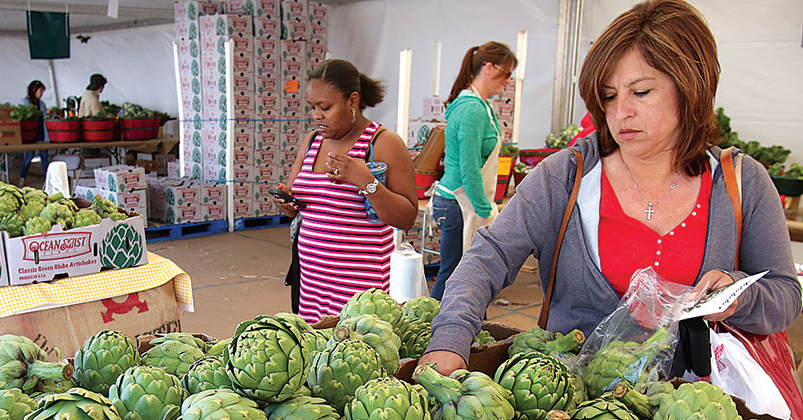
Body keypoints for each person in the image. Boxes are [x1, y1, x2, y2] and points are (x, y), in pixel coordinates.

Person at [421, 0, 801, 376]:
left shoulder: (742, 182)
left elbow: (786, 295)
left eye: (640, 92)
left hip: (699, 419)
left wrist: (739, 294)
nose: (621, 113)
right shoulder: (565, 178)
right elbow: (489, 256)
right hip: (577, 418)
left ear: (690, 87)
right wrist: (450, 337)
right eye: (608, 96)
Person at [275, 59, 417, 324]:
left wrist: (365, 180)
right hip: (312, 287)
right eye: (312, 107)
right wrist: (288, 205)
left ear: (353, 101)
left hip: (360, 291)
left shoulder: (383, 144)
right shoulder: (313, 141)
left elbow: (407, 216)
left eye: (326, 107)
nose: (317, 115)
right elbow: (299, 199)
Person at [431, 42, 518, 300]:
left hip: (461, 200)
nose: (507, 82)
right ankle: (431, 330)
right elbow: (469, 167)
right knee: (454, 275)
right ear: (489, 68)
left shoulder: (479, 105)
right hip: (459, 202)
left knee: (459, 273)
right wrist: (484, 212)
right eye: (506, 74)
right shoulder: (471, 109)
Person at [19, 80, 49, 187]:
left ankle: (47, 180)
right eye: (40, 91)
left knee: (45, 158)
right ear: (33, 90)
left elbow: (46, 119)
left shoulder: (42, 104)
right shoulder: (25, 103)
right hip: (30, 136)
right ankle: (23, 178)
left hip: (41, 135)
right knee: (28, 157)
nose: (41, 94)